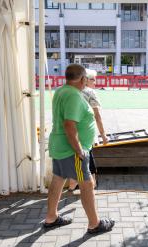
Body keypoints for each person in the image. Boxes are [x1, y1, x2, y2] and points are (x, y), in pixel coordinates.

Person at [44, 64, 115, 234]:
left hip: (60, 146)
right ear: (82, 79)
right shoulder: (74, 96)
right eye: (86, 79)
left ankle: (51, 217)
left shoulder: (61, 90)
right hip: (72, 150)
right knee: (87, 184)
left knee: (58, 179)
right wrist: (79, 150)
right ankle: (94, 223)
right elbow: (69, 125)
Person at [68, 69, 108, 191]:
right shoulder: (90, 93)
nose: (95, 82)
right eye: (93, 79)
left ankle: (75, 184)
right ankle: (87, 186)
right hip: (85, 134)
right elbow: (97, 116)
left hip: (71, 133)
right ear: (84, 80)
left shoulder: (69, 92)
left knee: (78, 160)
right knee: (86, 160)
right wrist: (103, 134)